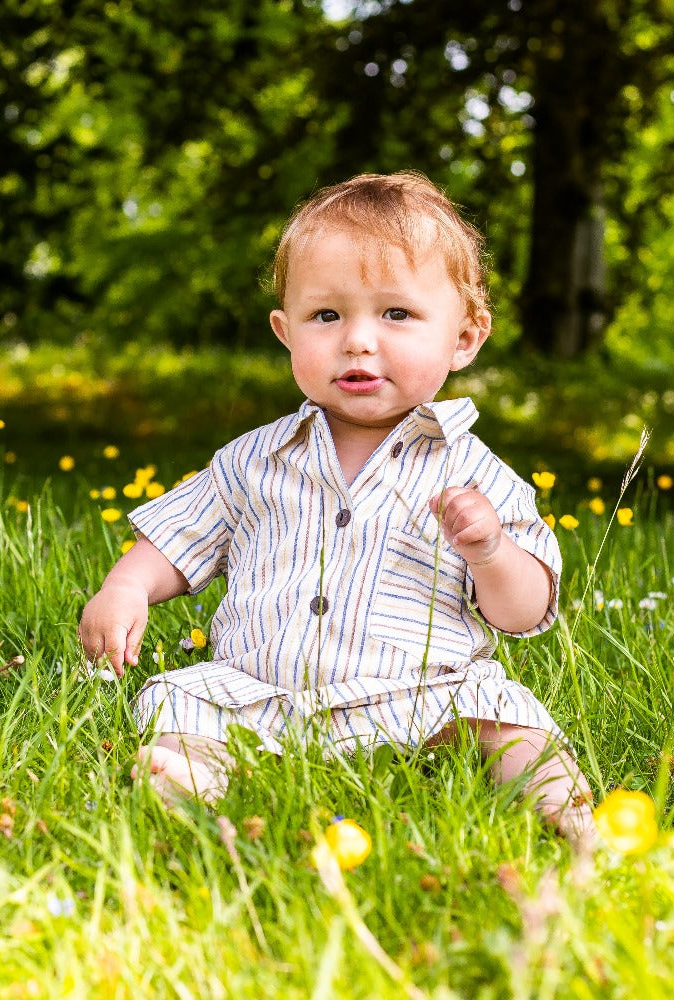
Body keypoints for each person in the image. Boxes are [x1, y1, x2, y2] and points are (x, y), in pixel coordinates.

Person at [79, 171, 597, 844]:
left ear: (465, 339)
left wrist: (492, 552)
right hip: (258, 691)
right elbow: (178, 541)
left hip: (424, 696)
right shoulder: (253, 459)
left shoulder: (474, 473)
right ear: (285, 331)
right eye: (327, 316)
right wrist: (126, 588)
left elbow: (524, 612)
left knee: (506, 719)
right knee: (187, 706)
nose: (357, 340)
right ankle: (189, 781)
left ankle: (566, 812)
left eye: (396, 314)